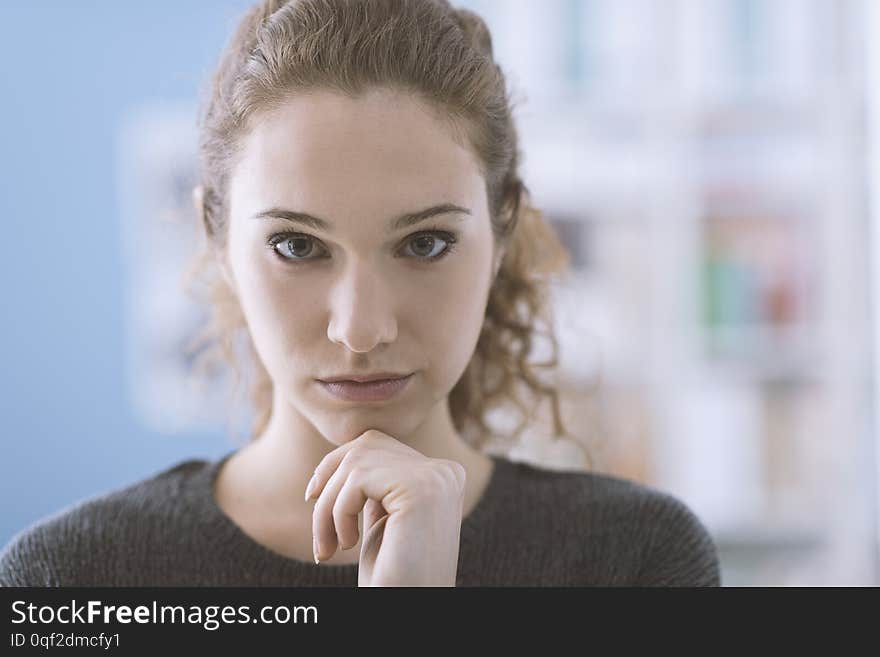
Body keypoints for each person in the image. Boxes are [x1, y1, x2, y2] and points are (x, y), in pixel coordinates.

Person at [0, 0, 720, 587]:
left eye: (426, 243)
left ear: (502, 231)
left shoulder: (634, 560)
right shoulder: (69, 580)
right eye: (297, 246)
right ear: (216, 241)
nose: (362, 329)